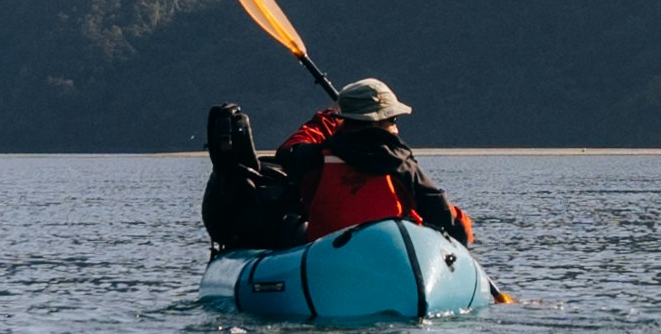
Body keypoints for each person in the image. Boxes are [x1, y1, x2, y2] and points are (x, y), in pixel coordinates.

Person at [201, 77, 474, 254]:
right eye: (391, 119)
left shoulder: (318, 157)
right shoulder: (403, 164)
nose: (396, 126)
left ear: (344, 120)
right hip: (392, 255)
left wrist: (328, 117)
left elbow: (289, 149)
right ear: (378, 121)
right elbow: (451, 224)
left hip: (325, 256)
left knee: (289, 224)